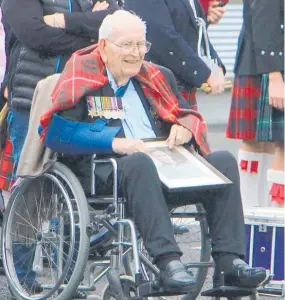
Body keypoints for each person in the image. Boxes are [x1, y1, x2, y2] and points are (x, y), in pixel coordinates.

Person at [40, 10, 267, 290]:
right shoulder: (82, 79)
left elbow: (186, 114)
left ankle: (230, 263)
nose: (136, 53)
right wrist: (113, 142)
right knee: (138, 162)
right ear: (103, 46)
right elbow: (56, 133)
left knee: (223, 162)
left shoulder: (158, 76)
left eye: (141, 45)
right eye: (127, 45)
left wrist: (184, 127)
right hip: (107, 173)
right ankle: (168, 263)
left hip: (164, 168)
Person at [0, 0, 119, 298]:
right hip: (31, 97)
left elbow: (114, 20)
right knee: (30, 186)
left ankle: (68, 276)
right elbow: (34, 34)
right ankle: (23, 278)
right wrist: (88, 30)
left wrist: (63, 21)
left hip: (82, 95)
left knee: (78, 185)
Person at [225, 0, 284, 208]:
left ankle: (261, 218)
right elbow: (264, 16)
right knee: (279, 144)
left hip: (266, 62)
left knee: (266, 143)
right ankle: (265, 221)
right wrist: (275, 75)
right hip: (268, 65)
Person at [123, 0, 226, 112]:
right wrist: (204, 73)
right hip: (157, 87)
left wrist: (215, 66)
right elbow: (161, 37)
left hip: (180, 87)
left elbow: (194, 31)